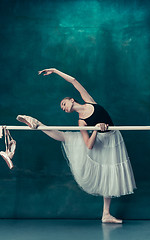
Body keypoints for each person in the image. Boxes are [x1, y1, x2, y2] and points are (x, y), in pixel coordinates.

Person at [17, 68, 136, 223]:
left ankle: (106, 214)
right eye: (62, 108)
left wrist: (54, 70)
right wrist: (95, 130)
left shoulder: (89, 101)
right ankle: (38, 124)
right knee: (66, 137)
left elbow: (73, 81)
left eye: (63, 103)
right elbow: (89, 145)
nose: (63, 107)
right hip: (99, 140)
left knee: (110, 174)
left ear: (72, 100)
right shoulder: (81, 122)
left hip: (113, 139)